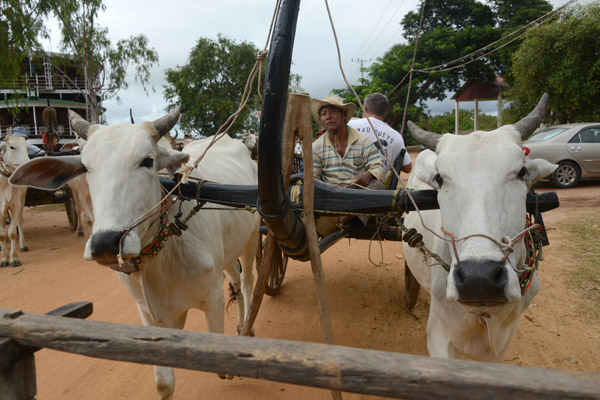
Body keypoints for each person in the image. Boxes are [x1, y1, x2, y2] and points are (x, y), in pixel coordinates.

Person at [311, 94, 384, 232]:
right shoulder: (316, 147)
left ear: (344, 114)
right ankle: (349, 216)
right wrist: (328, 190)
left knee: (378, 185)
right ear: (321, 120)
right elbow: (313, 179)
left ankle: (343, 219)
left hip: (356, 195)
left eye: (333, 111)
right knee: (307, 189)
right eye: (324, 114)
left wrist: (368, 175)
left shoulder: (363, 140)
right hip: (331, 196)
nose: (328, 116)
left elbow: (379, 168)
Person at [348, 92, 412, 176]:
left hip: (346, 183)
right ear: (385, 113)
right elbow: (407, 168)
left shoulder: (349, 125)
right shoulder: (396, 136)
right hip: (379, 186)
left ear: (365, 109)